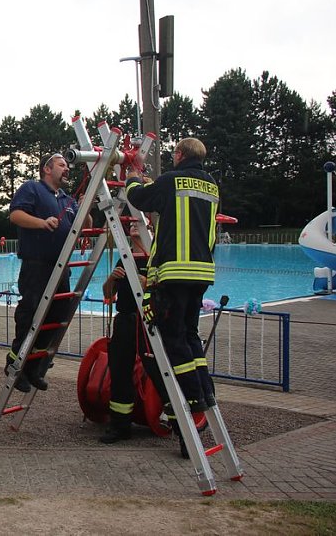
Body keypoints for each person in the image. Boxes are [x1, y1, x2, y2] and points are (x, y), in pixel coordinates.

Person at [125, 137, 219, 455]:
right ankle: (206, 393)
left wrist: (133, 178)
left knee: (173, 341)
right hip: (202, 273)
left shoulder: (172, 180)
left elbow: (139, 198)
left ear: (178, 155)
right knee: (191, 338)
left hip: (175, 273)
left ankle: (192, 402)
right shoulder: (211, 185)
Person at [6, 153, 92, 392]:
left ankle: (34, 366)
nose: (67, 169)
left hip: (60, 266)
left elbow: (84, 226)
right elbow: (15, 215)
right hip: (37, 265)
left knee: (57, 315)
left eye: (67, 165)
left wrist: (85, 208)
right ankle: (15, 363)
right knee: (31, 313)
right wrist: (42, 223)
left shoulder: (66, 198)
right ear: (47, 169)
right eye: (62, 165)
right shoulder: (32, 188)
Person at [98, 221, 167, 443]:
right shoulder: (124, 259)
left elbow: (165, 294)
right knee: (119, 372)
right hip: (125, 321)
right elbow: (108, 294)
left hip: (147, 322)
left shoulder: (157, 259)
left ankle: (175, 419)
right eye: (134, 224)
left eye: (142, 224)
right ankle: (120, 426)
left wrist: (145, 281)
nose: (135, 225)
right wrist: (112, 279)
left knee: (157, 371)